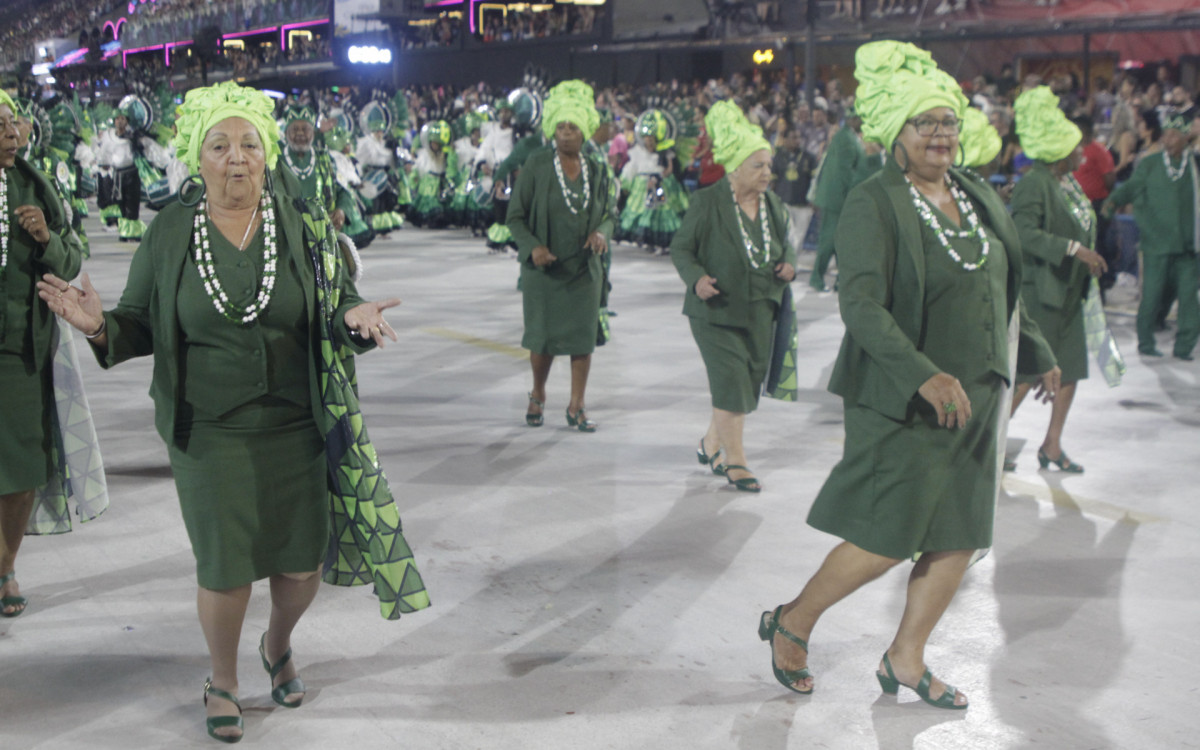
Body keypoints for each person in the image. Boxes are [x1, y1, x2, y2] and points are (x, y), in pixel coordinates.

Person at [37, 82, 429, 743]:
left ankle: (277, 644)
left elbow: (339, 309)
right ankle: (223, 680)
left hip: (297, 426)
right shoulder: (169, 233)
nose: (236, 157)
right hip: (209, 430)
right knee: (224, 568)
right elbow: (138, 322)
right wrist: (99, 325)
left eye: (249, 143)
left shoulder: (305, 228)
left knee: (301, 567)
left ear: (267, 153)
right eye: (219, 145)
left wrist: (354, 320)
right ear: (198, 156)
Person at [758, 41, 1059, 708]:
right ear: (896, 134)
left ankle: (906, 657)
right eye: (925, 124)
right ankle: (793, 621)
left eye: (948, 122)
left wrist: (1037, 351)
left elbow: (1003, 285)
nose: (941, 135)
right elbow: (860, 305)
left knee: (960, 533)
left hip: (980, 394)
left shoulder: (977, 196)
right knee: (887, 534)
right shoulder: (876, 202)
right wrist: (924, 375)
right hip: (904, 394)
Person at [670, 100, 796, 493]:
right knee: (731, 381)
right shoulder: (708, 202)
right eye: (757, 166)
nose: (766, 173)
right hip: (716, 311)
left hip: (762, 308)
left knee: (746, 380)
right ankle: (736, 461)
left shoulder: (772, 205)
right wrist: (696, 279)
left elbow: (786, 245)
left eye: (768, 166)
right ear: (736, 167)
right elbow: (681, 248)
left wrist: (789, 264)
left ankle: (712, 443)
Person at [0, 90, 92, 619]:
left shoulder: (35, 186)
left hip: (19, 353)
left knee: (22, 471)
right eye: (0, 125)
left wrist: (44, 240)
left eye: (14, 123)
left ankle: (5, 566)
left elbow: (72, 253)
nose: (11, 134)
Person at [1008, 87, 1108, 473]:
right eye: (1076, 147)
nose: (1082, 152)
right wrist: (1073, 249)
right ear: (1059, 150)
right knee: (1029, 372)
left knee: (1070, 370)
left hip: (1070, 293)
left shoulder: (1066, 184)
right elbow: (1023, 232)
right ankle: (989, 445)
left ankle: (1052, 445)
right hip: (1043, 294)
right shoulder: (1035, 182)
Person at [507, 80, 614, 431]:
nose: (566, 134)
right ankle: (538, 394)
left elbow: (610, 213)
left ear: (584, 131)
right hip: (545, 272)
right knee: (543, 339)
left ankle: (577, 405)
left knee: (583, 342)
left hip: (585, 272)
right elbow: (515, 217)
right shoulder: (537, 165)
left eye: (573, 127)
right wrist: (533, 247)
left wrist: (602, 233)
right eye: (561, 127)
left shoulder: (597, 170)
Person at [1103, 110, 1199, 360]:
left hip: (1189, 246)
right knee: (1152, 295)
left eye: (1174, 135)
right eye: (1165, 134)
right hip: (1156, 242)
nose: (1167, 139)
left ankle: (1184, 347)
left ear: (1186, 138)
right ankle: (1145, 341)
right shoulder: (1150, 164)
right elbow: (1132, 188)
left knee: (1189, 299)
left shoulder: (1195, 165)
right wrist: (1113, 202)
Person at [809, 104, 880, 292]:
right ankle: (817, 277)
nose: (863, 123)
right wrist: (853, 197)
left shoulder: (848, 137)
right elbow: (844, 173)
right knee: (829, 240)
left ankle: (842, 279)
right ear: (853, 119)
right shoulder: (846, 139)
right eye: (860, 119)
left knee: (842, 241)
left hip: (839, 198)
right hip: (837, 200)